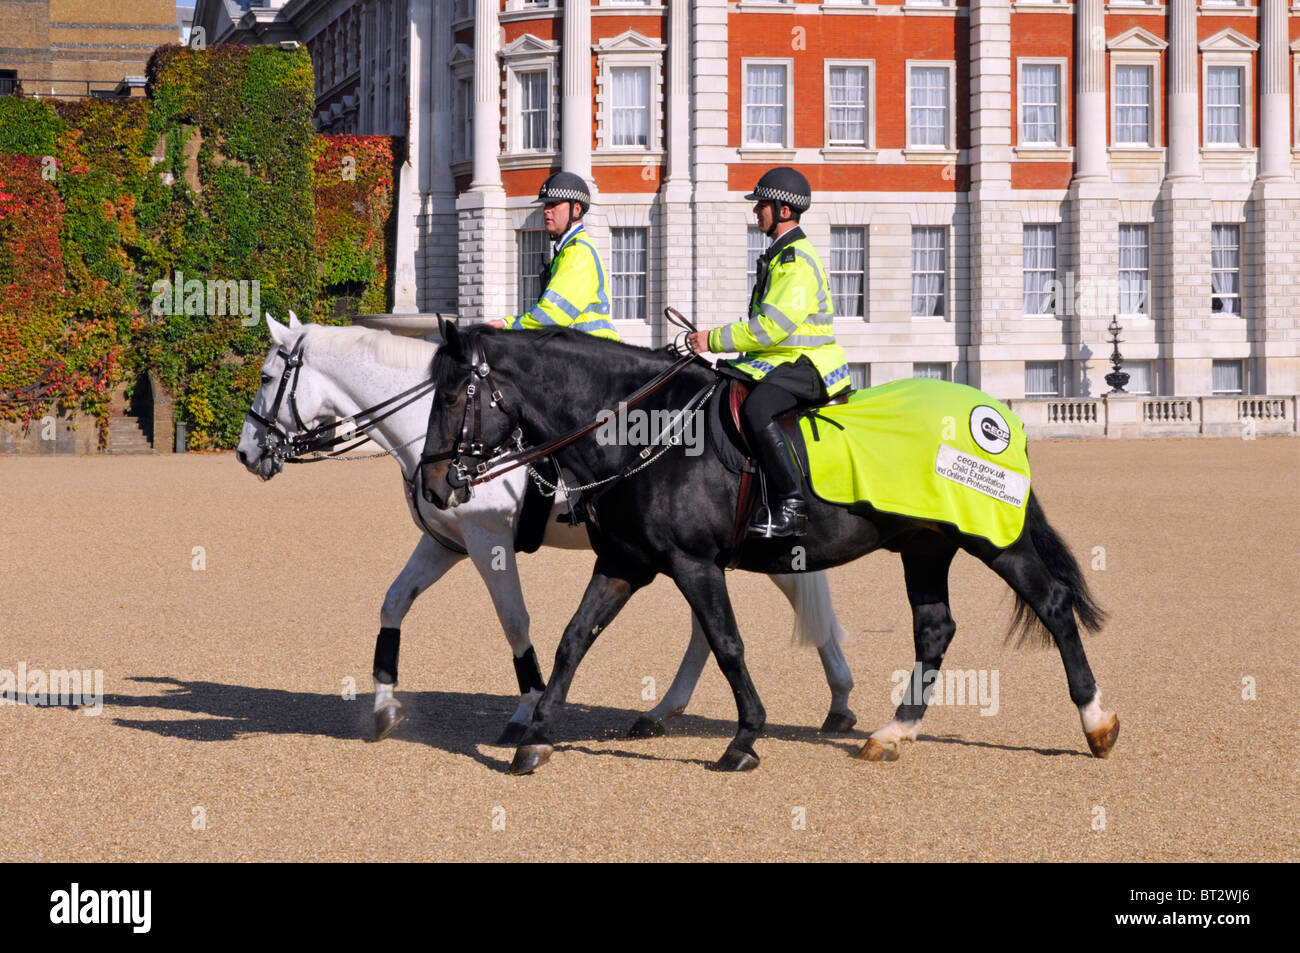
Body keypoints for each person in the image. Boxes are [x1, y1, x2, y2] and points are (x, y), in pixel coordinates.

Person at [688, 167, 851, 538]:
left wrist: (713, 339)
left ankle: (793, 506)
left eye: (761, 204)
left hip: (809, 366)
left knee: (757, 408)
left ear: (783, 210)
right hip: (783, 361)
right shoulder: (780, 256)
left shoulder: (795, 261)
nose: (755, 211)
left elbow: (771, 329)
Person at [487, 171, 619, 341]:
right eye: (545, 205)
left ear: (576, 209)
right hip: (583, 346)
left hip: (588, 349)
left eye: (554, 204)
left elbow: (552, 315)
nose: (546, 211)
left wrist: (508, 326)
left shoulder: (577, 251)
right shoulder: (567, 250)